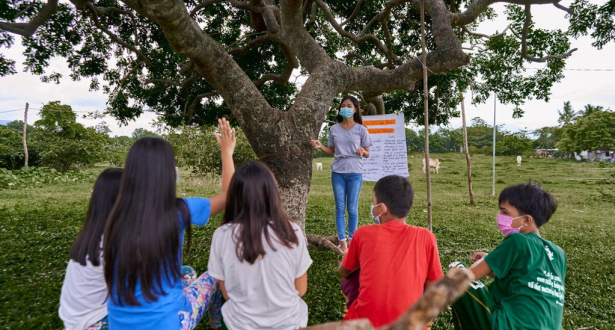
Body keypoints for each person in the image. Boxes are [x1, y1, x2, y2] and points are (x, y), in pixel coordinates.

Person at [103, 118, 236, 330]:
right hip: (170, 322)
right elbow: (229, 195)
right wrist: (226, 152)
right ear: (167, 173)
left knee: (187, 272)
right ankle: (216, 325)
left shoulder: (116, 215)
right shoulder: (179, 210)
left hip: (120, 323)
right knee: (214, 277)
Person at [208, 161, 313, 330]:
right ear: (272, 193)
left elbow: (227, 294)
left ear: (234, 196)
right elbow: (300, 289)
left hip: (240, 325)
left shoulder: (221, 235)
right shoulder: (292, 232)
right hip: (289, 324)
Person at [450, 183, 566, 330]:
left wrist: (486, 261)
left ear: (526, 220)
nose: (500, 216)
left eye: (505, 212)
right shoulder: (559, 253)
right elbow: (523, 280)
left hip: (511, 326)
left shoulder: (518, 241)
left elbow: (472, 274)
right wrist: (494, 262)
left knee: (457, 271)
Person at [339, 175, 443, 328]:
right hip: (412, 324)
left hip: (365, 324)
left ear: (382, 209)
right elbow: (435, 285)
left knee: (351, 278)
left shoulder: (363, 233)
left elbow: (344, 271)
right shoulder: (426, 237)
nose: (372, 207)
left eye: (374, 203)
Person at [59, 168, 122, 330]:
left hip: (73, 319)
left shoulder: (93, 234)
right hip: (96, 321)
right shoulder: (115, 242)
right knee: (185, 282)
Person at [310, 95, 372, 252]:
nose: (346, 108)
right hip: (338, 172)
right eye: (343, 106)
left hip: (355, 172)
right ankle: (342, 242)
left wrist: (362, 151)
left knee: (352, 208)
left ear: (356, 109)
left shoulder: (361, 129)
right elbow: (332, 151)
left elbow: (367, 154)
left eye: (349, 106)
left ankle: (352, 240)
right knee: (339, 207)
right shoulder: (334, 129)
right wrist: (320, 146)